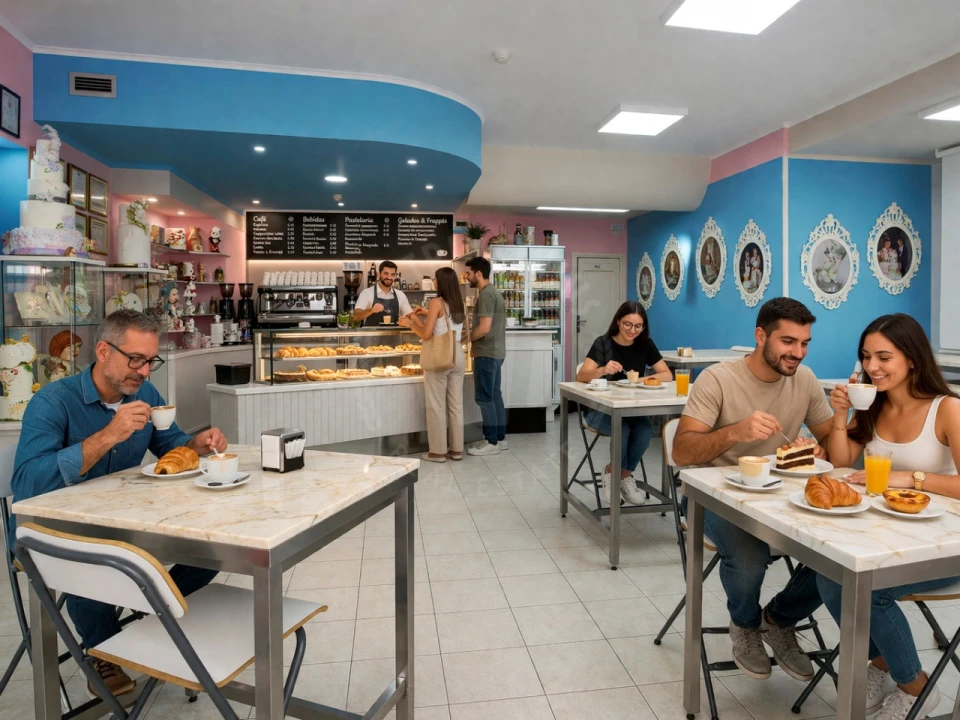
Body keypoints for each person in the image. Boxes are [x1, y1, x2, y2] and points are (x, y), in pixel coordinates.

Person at [11, 310, 228, 700]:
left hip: (123, 519)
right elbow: (27, 483)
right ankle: (105, 649)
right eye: (136, 360)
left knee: (212, 549)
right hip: (54, 531)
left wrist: (194, 445)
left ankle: (155, 615)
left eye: (151, 361)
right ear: (103, 351)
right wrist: (108, 435)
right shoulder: (52, 403)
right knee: (95, 556)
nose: (145, 372)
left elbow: (168, 444)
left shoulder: (144, 394)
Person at [672, 297, 834, 684]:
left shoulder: (806, 380)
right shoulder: (718, 379)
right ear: (760, 336)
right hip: (712, 498)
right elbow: (681, 451)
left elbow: (834, 447)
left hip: (782, 499)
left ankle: (779, 619)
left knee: (840, 553)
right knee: (749, 556)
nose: (798, 352)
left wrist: (821, 446)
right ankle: (745, 625)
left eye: (805, 343)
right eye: (788, 342)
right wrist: (735, 432)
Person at [821, 314, 960, 720]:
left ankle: (916, 688)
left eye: (884, 356)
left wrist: (912, 478)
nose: (872, 366)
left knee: (873, 591)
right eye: (866, 356)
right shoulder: (873, 403)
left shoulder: (947, 409)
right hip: (890, 536)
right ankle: (884, 665)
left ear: (912, 359)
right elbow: (842, 463)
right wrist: (838, 416)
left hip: (944, 544)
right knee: (830, 579)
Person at [575, 301, 672, 504]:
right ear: (618, 321)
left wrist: (639, 380)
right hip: (598, 410)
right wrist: (602, 370)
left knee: (646, 430)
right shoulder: (603, 343)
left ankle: (621, 474)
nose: (632, 330)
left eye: (638, 326)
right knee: (623, 429)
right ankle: (616, 474)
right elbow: (581, 376)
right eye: (628, 324)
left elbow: (667, 374)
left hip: (630, 409)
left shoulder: (645, 345)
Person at [399, 267, 466, 463]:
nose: (434, 282)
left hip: (440, 356)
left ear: (441, 283)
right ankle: (456, 450)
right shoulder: (458, 302)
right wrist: (423, 315)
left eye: (435, 279)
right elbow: (444, 321)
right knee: (455, 405)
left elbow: (426, 335)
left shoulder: (437, 302)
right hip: (458, 355)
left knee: (436, 405)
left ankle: (437, 452)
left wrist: (410, 322)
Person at [464, 256, 507, 455]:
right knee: (495, 396)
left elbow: (485, 327)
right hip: (496, 353)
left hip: (486, 353)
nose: (466, 276)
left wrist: (466, 339)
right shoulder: (493, 292)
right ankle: (499, 439)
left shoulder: (486, 295)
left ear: (478, 274)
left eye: (469, 273)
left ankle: (491, 442)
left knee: (484, 398)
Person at [352, 260, 413, 326]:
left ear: (395, 276)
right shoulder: (367, 293)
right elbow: (356, 317)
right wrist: (371, 310)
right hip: (371, 336)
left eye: (392, 274)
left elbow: (411, 316)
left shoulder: (400, 295)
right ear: (379, 274)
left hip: (394, 336)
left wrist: (410, 322)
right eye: (386, 273)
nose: (389, 277)